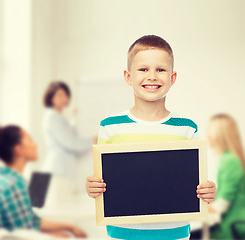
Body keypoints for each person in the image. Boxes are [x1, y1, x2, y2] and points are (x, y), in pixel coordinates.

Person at [85, 35, 217, 239]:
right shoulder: (110, 126)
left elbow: (195, 181)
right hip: (123, 233)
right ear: (128, 77)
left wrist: (208, 191)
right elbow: (101, 181)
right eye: (143, 69)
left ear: (172, 78)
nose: (152, 76)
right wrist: (92, 187)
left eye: (161, 70)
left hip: (175, 234)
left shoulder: (187, 128)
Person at [0, 125, 86, 238]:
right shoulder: (13, 185)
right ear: (19, 149)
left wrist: (69, 226)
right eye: (29, 140)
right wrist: (57, 236)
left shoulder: (2, 179)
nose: (35, 144)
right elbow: (24, 234)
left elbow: (32, 222)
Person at [42, 81, 96, 177]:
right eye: (60, 95)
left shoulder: (58, 116)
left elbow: (70, 135)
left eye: (66, 95)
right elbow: (71, 142)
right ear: (51, 97)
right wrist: (92, 140)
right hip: (57, 169)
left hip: (62, 169)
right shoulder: (52, 116)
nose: (65, 98)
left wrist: (74, 118)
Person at [207, 114, 245, 239]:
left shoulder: (230, 161)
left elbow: (222, 204)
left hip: (232, 227)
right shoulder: (229, 158)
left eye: (210, 132)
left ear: (219, 135)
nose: (208, 137)